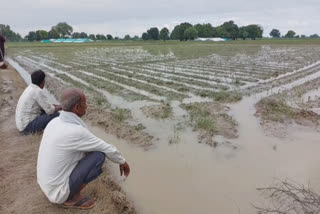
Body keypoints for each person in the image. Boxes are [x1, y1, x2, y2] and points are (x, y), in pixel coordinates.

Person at [37, 88, 130, 209]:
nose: (87, 106)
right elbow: (106, 147)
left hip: (46, 184)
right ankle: (71, 198)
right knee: (98, 156)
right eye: (85, 104)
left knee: (88, 151)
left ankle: (70, 191)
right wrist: (122, 161)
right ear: (76, 108)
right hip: (57, 193)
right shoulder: (76, 131)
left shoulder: (54, 122)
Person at [15, 70, 61, 134]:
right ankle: (53, 132)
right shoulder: (37, 91)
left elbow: (46, 106)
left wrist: (55, 106)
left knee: (47, 111)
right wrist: (61, 106)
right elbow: (50, 110)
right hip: (26, 128)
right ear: (42, 82)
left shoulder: (30, 87)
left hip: (21, 125)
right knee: (56, 115)